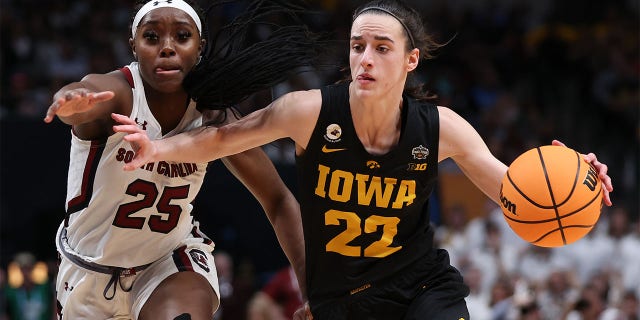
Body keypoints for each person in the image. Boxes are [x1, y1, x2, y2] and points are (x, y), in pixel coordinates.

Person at [112, 0, 614, 318]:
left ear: (410, 59)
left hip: (420, 286)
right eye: (357, 47)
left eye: (380, 47)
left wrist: (572, 182)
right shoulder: (307, 112)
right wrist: (156, 147)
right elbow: (221, 140)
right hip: (342, 300)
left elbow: (514, 192)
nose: (365, 59)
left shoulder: (440, 127)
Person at [42, 0, 322, 318]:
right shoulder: (119, 93)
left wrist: (313, 291)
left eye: (182, 36)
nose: (167, 48)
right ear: (133, 46)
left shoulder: (214, 117)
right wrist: (71, 100)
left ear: (199, 47)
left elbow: (279, 199)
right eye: (152, 37)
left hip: (168, 263)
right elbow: (85, 93)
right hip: (88, 272)